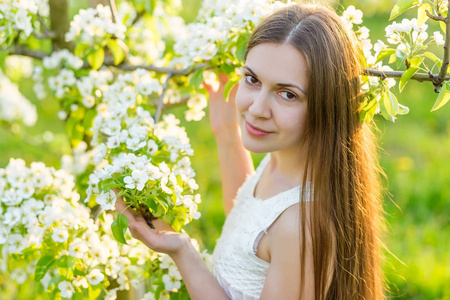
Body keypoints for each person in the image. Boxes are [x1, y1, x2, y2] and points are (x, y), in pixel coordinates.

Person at [116, 3, 385, 299]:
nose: (256, 109)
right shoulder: (286, 163)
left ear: (327, 106)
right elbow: (249, 229)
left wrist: (183, 251)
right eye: (252, 79)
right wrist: (226, 132)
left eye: (287, 94)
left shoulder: (300, 226)